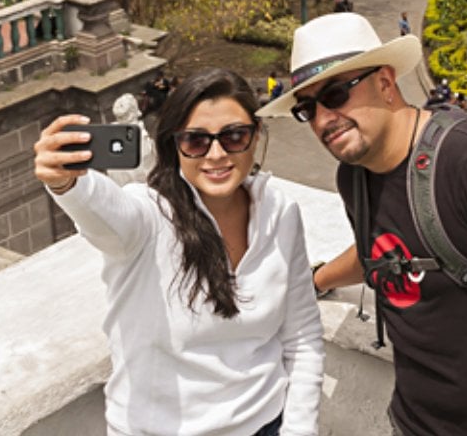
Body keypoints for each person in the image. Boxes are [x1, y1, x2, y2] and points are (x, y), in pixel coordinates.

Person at [279, 14, 467, 436]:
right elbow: (383, 249)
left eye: (335, 94)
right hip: (412, 423)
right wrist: (314, 280)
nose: (322, 119)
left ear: (386, 84)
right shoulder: (354, 176)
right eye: (307, 108)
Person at [34, 70, 324, 436]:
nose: (216, 154)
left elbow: (301, 336)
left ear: (256, 136)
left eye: (234, 136)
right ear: (174, 145)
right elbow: (105, 210)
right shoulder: (148, 217)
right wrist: (68, 182)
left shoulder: (279, 213)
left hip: (266, 423)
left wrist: (300, 430)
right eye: (196, 141)